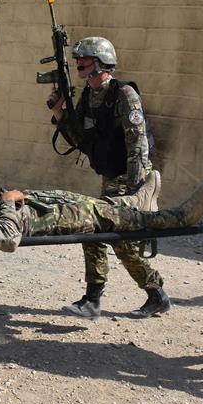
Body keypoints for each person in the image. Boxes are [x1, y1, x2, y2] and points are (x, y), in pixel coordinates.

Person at [48, 36, 169, 319]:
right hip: (110, 176)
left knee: (100, 231)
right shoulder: (89, 95)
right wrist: (59, 112)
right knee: (111, 236)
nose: (79, 64)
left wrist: (136, 189)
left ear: (101, 63)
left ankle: (95, 299)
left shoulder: (124, 94)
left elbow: (139, 143)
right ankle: (154, 294)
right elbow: (79, 139)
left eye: (85, 59)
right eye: (78, 59)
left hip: (130, 176)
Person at [0, 171, 203, 255]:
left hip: (34, 205)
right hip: (36, 220)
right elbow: (5, 238)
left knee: (91, 202)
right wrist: (6, 202)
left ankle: (135, 202)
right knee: (101, 215)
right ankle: (177, 217)